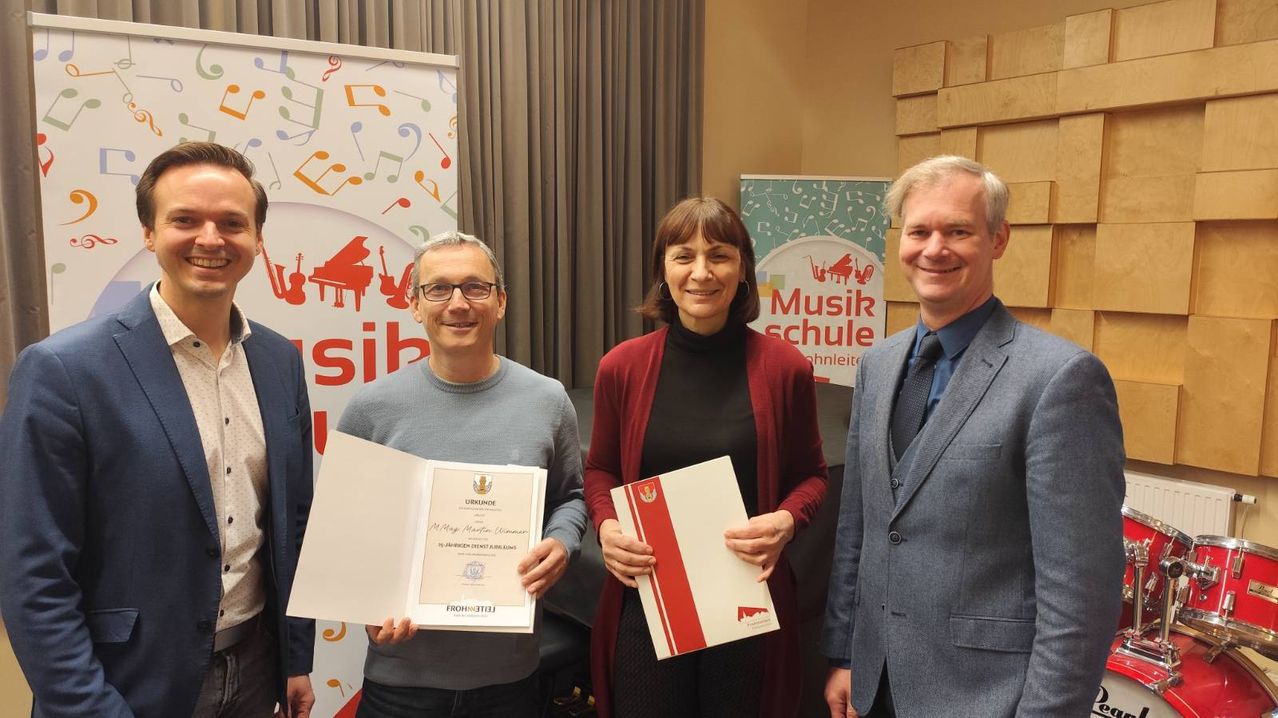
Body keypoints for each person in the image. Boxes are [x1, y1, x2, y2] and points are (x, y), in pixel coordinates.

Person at [0, 141, 316, 717]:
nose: (211, 239)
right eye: (185, 220)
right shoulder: (64, 370)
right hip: (125, 686)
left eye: (232, 223)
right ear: (149, 233)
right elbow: (33, 572)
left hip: (255, 671)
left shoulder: (279, 361)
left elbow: (291, 524)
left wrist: (296, 657)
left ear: (257, 239)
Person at [822, 155, 1125, 718]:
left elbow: (1082, 594)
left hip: (988, 698)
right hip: (875, 684)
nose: (934, 248)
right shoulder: (877, 365)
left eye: (958, 230)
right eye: (919, 231)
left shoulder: (1060, 379)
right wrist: (844, 654)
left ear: (998, 238)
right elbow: (859, 528)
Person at [583, 197, 828, 718]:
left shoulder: (786, 368)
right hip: (648, 599)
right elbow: (600, 468)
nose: (701, 272)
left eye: (718, 255)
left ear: (742, 270)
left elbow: (811, 475)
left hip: (746, 601)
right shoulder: (621, 368)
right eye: (683, 256)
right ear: (662, 271)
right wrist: (606, 527)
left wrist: (787, 519)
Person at [336, 231, 588, 718]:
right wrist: (362, 604)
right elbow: (344, 531)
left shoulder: (548, 400)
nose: (458, 303)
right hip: (399, 682)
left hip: (509, 680)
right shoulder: (372, 409)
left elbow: (570, 498)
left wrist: (561, 543)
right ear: (414, 305)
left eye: (476, 287)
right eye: (438, 289)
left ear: (501, 302)